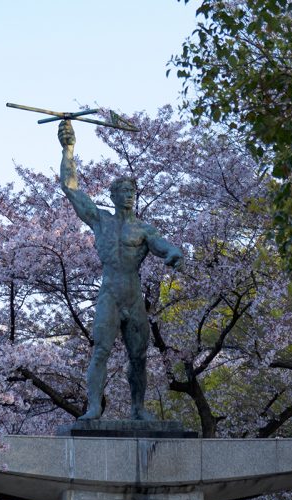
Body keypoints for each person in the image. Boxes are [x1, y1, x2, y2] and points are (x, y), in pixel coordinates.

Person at [58, 119, 182, 420]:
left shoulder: (143, 228)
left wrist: (174, 253)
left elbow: (162, 244)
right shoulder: (100, 220)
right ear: (113, 197)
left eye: (132, 191)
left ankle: (139, 408)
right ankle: (93, 407)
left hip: (133, 295)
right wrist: (69, 149)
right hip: (110, 293)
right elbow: (70, 187)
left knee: (138, 356)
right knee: (101, 349)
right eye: (123, 191)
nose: (129, 194)